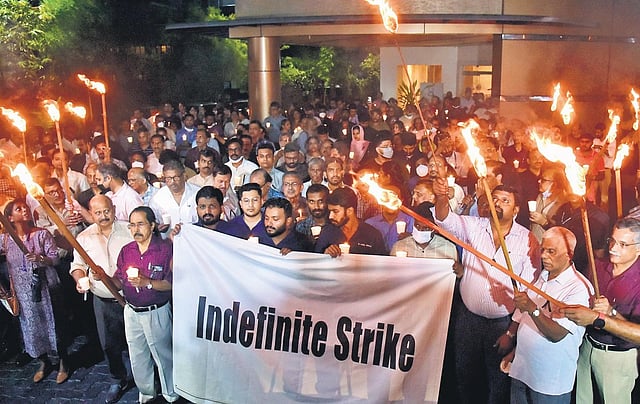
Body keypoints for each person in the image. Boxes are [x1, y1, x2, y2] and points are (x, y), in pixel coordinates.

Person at [433, 180, 540, 404]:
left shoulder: (528, 240)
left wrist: (511, 333)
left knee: (498, 382)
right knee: (466, 376)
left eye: (505, 201)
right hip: (468, 320)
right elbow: (444, 219)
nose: (498, 203)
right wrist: (441, 196)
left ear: (516, 210)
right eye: (495, 199)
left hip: (502, 324)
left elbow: (530, 293)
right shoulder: (474, 226)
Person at [503, 227, 592, 403]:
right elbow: (528, 321)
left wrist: (532, 308)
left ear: (569, 254)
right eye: (542, 249)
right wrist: (515, 352)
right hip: (522, 371)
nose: (543, 256)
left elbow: (556, 334)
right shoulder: (543, 276)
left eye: (551, 251)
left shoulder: (579, 288)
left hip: (549, 382)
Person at [69, 195, 133, 403]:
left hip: (130, 298)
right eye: (98, 213)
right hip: (102, 301)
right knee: (109, 344)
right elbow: (77, 266)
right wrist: (80, 280)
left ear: (113, 209)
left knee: (136, 341)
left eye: (107, 211)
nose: (103, 216)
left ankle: (144, 378)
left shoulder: (129, 229)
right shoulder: (84, 237)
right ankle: (117, 379)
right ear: (91, 213)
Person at [112, 207, 179, 403]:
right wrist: (100, 277)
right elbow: (118, 280)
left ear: (152, 225)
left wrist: (147, 282)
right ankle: (147, 394)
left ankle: (171, 394)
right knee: (137, 355)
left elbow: (171, 283)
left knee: (163, 355)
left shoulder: (165, 250)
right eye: (132, 225)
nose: (136, 229)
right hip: (131, 311)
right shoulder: (127, 251)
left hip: (156, 311)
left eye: (140, 224)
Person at [571, 217, 640, 404]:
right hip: (587, 346)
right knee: (582, 399)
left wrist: (610, 313)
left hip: (617, 357)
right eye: (612, 241)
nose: (613, 248)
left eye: (623, 244)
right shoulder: (598, 266)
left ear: (638, 249)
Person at [1, 199, 68, 384]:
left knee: (54, 325)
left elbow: (55, 258)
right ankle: (44, 362)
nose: (25, 210)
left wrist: (40, 259)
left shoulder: (41, 234)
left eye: (25, 207)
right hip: (23, 293)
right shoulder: (5, 239)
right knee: (31, 329)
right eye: (19, 209)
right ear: (9, 218)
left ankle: (63, 362)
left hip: (46, 288)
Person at [314, 187, 388, 256]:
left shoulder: (372, 235)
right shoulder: (327, 232)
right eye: (330, 211)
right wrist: (325, 254)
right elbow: (316, 261)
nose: (331, 216)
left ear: (349, 211)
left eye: (335, 211)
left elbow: (382, 262)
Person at [390, 202, 457, 260]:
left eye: (426, 228)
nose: (420, 230)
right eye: (417, 226)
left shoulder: (448, 249)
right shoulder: (400, 246)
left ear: (435, 229)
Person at [148, 159, 200, 234]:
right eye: (168, 178)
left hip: (194, 236)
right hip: (168, 238)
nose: (172, 182)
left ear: (184, 176)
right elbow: (152, 222)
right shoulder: (157, 199)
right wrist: (158, 227)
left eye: (176, 178)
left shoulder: (197, 193)